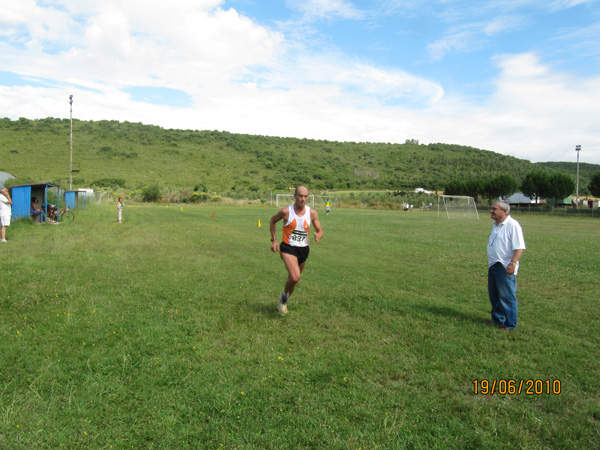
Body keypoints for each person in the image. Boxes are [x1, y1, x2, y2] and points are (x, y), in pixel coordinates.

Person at [270, 186, 323, 315]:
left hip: (304, 249)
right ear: (295, 196)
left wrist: (319, 234)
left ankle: (284, 299)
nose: (303, 199)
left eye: (305, 196)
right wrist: (274, 240)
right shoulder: (286, 211)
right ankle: (283, 301)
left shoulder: (312, 213)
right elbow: (272, 220)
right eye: (300, 196)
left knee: (293, 280)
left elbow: (319, 229)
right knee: (295, 277)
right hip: (288, 248)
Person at [487, 200, 526, 330]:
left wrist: (513, 263)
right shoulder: (496, 224)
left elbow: (519, 247)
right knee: (495, 296)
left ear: (504, 211)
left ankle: (510, 324)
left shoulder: (513, 225)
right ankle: (497, 319)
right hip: (493, 264)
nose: (491, 211)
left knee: (507, 297)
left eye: (494, 209)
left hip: (504, 266)